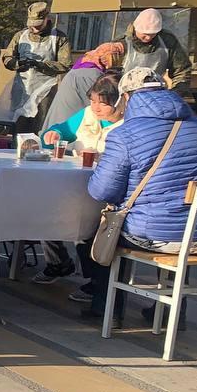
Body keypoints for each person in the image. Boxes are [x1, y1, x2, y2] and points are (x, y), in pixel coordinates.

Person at [82, 68, 197, 323]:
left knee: (105, 231)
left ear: (125, 98)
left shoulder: (125, 135)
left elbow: (101, 191)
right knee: (187, 223)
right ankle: (171, 315)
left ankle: (107, 310)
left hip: (157, 237)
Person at [33, 75, 124, 288]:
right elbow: (59, 131)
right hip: (73, 185)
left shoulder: (127, 125)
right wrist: (53, 135)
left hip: (105, 191)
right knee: (44, 208)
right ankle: (58, 262)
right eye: (93, 101)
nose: (96, 107)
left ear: (119, 102)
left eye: (103, 103)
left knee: (86, 226)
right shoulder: (85, 116)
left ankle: (94, 280)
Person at [0, 0, 71, 134]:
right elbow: (7, 58)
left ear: (47, 19)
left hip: (45, 89)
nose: (34, 29)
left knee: (39, 127)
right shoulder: (20, 36)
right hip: (20, 88)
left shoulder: (59, 38)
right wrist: (17, 64)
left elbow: (65, 64)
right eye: (31, 25)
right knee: (17, 126)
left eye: (38, 25)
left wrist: (40, 65)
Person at [42, 41, 124, 130]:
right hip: (69, 126)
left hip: (58, 122)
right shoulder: (92, 75)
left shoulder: (81, 68)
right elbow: (99, 105)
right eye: (117, 57)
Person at [113, 8, 192, 89]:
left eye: (152, 34)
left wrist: (177, 92)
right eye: (145, 34)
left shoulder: (167, 41)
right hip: (126, 94)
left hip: (156, 93)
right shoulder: (121, 44)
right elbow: (110, 77)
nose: (148, 38)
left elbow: (182, 71)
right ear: (136, 28)